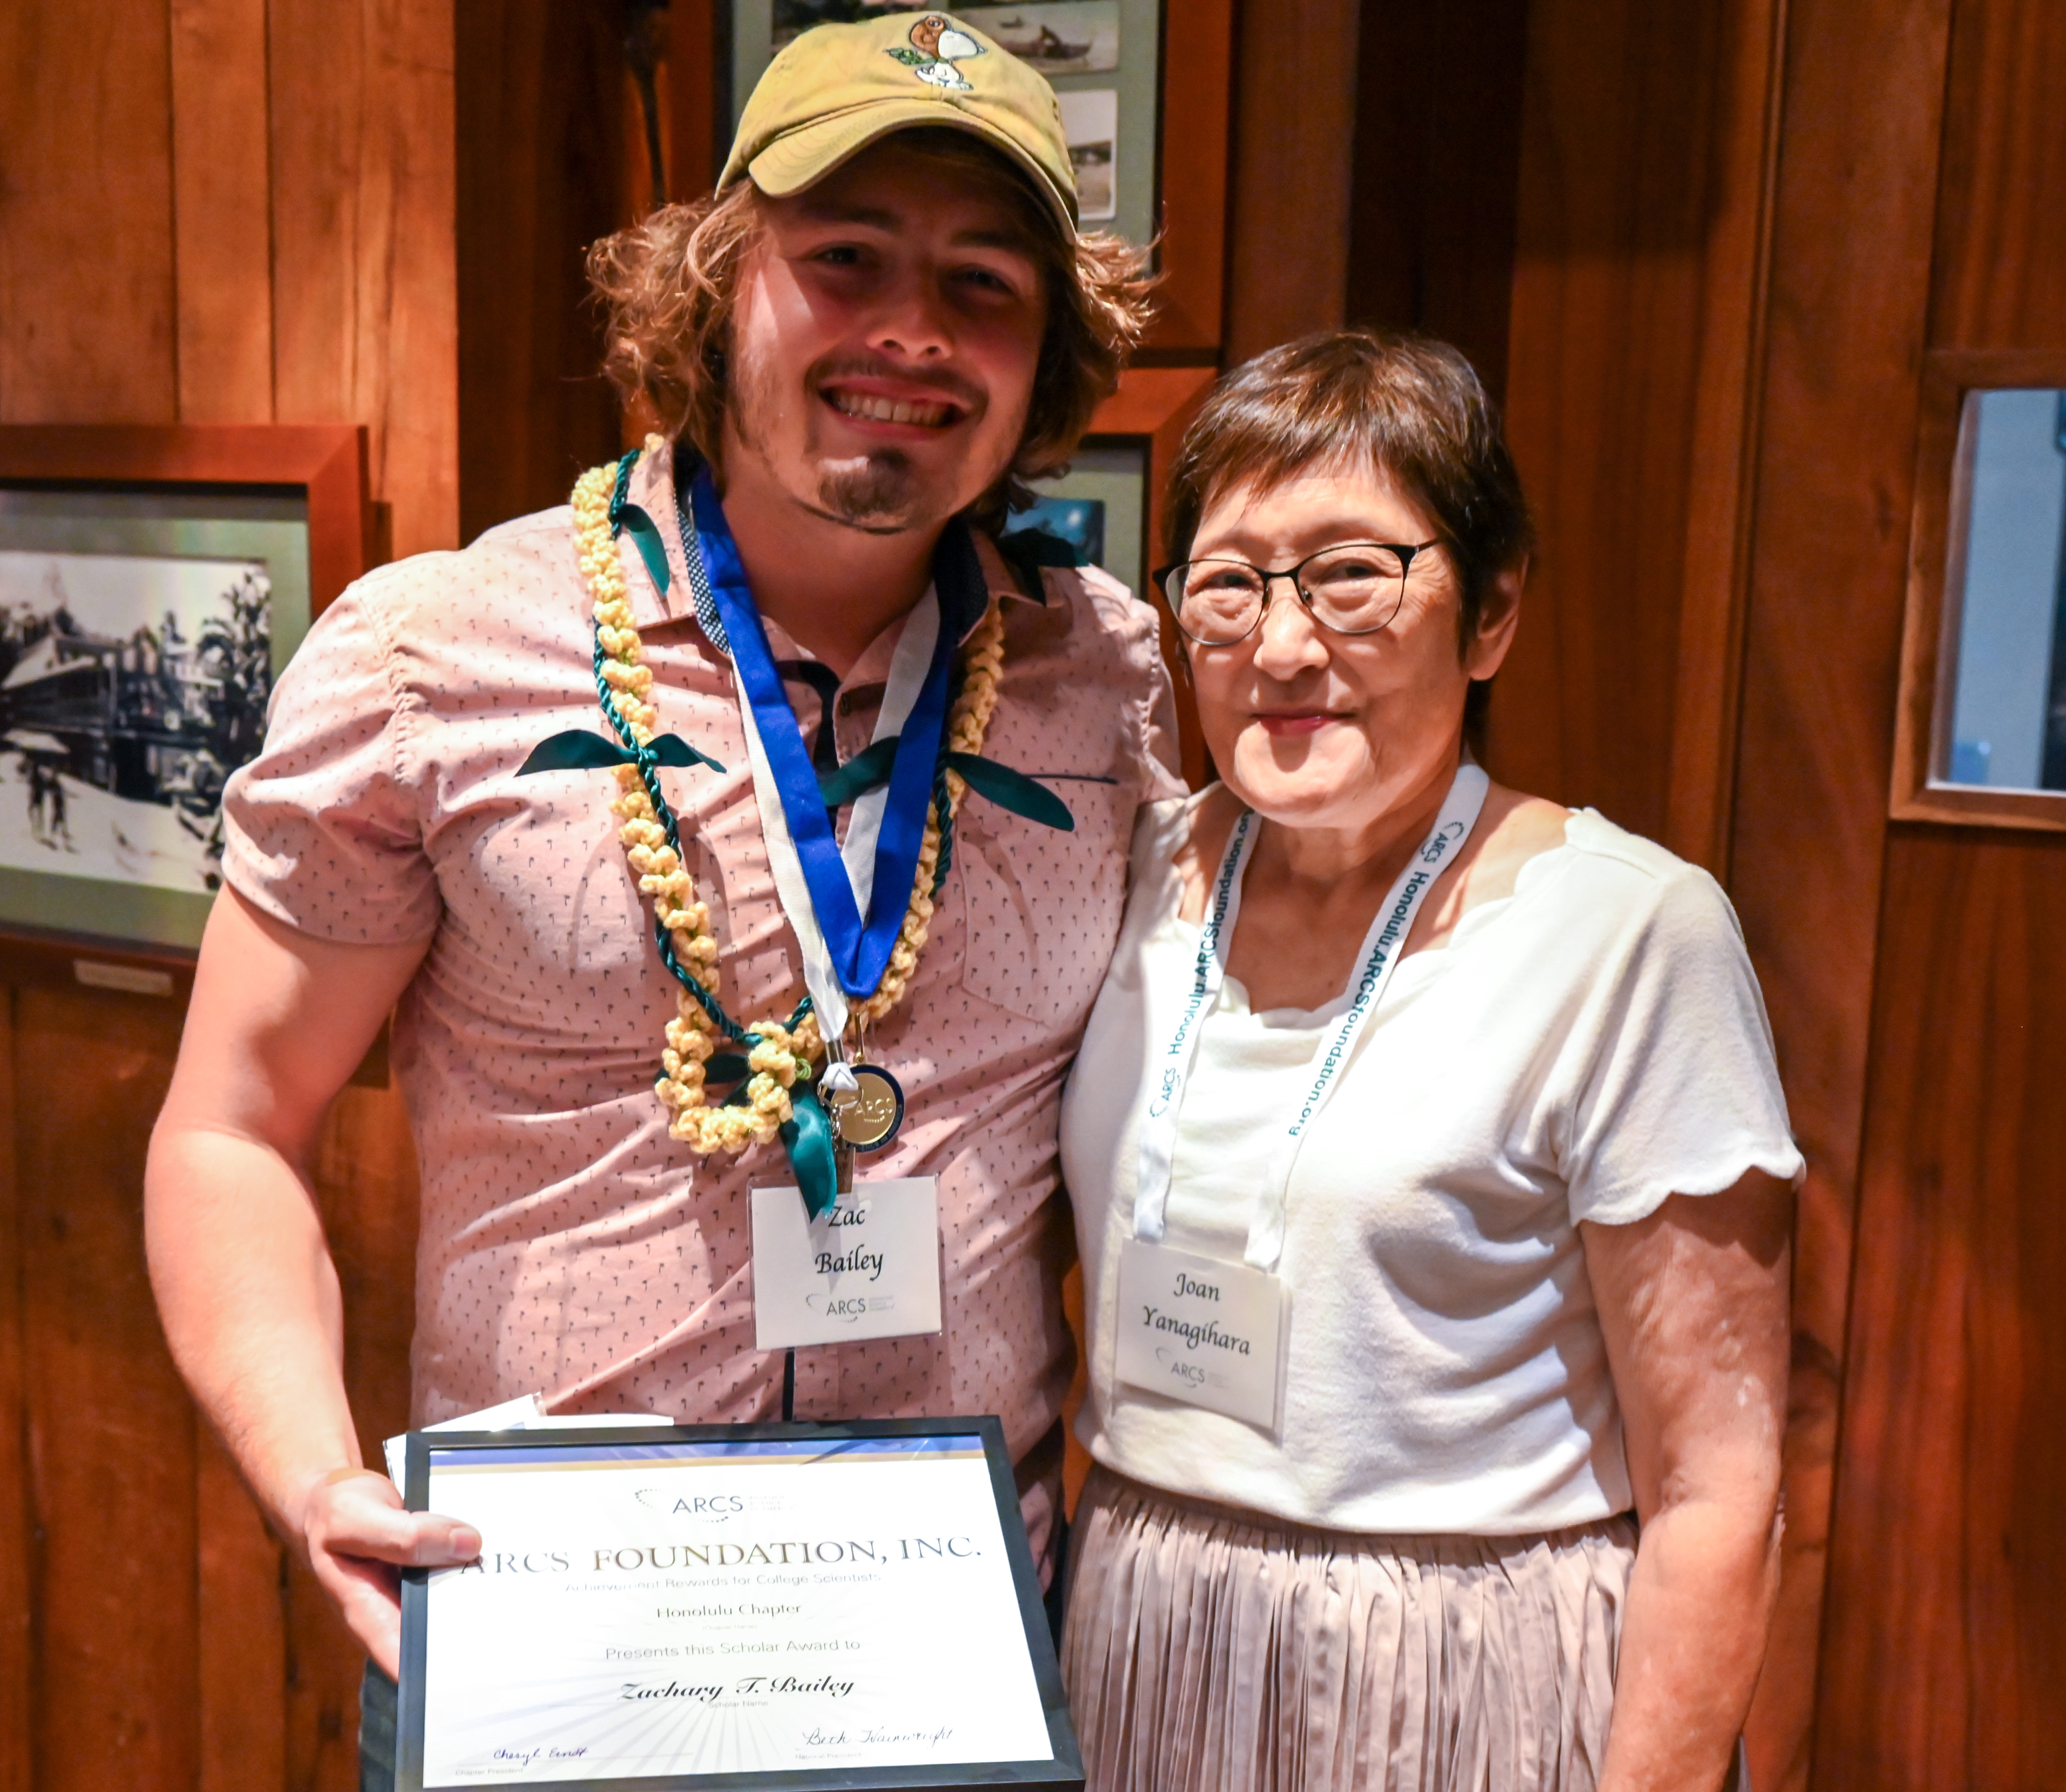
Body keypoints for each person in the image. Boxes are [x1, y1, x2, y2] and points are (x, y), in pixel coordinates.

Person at [140, 12, 1171, 1786]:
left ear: (1044, 357)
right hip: (543, 1623)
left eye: (984, 284)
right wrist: (311, 1477)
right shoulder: (430, 657)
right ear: (714, 286)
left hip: (946, 1648)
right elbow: (232, 1125)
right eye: (845, 260)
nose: (914, 330)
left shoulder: (1113, 682)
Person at [1057, 330, 1802, 1792]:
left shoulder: (1629, 930)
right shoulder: (1127, 874)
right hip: (1138, 1615)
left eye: (1351, 575)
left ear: (1492, 610)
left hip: (1459, 1657)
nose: (1281, 648)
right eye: (1227, 583)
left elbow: (1719, 1487)